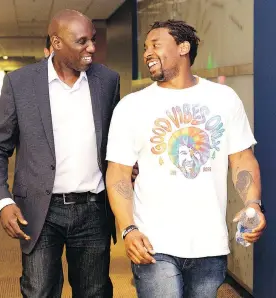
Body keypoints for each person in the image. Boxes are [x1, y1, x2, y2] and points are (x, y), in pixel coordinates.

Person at [105, 20, 266, 298]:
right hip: (153, 243)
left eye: (155, 44)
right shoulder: (131, 107)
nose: (147, 53)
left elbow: (242, 160)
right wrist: (128, 228)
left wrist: (253, 204)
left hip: (209, 242)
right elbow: (118, 173)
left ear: (183, 47)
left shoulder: (223, 98)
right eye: (145, 48)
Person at [0, 9, 120, 298]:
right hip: (40, 210)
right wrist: (2, 201)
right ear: (56, 43)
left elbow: (114, 143)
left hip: (93, 209)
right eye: (82, 41)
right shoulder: (20, 83)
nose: (92, 48)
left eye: (92, 39)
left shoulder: (107, 81)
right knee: (39, 292)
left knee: (94, 292)